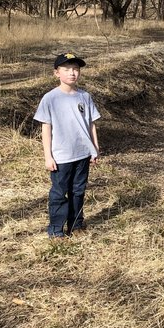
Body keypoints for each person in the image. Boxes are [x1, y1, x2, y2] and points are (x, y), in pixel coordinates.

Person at [34, 52, 101, 239]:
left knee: (78, 191)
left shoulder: (85, 96)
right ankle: (56, 230)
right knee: (59, 193)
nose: (72, 73)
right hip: (61, 156)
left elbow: (91, 123)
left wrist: (94, 147)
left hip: (82, 154)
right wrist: (48, 156)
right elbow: (46, 128)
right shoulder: (50, 98)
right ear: (57, 73)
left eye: (76, 69)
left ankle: (76, 225)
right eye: (67, 69)